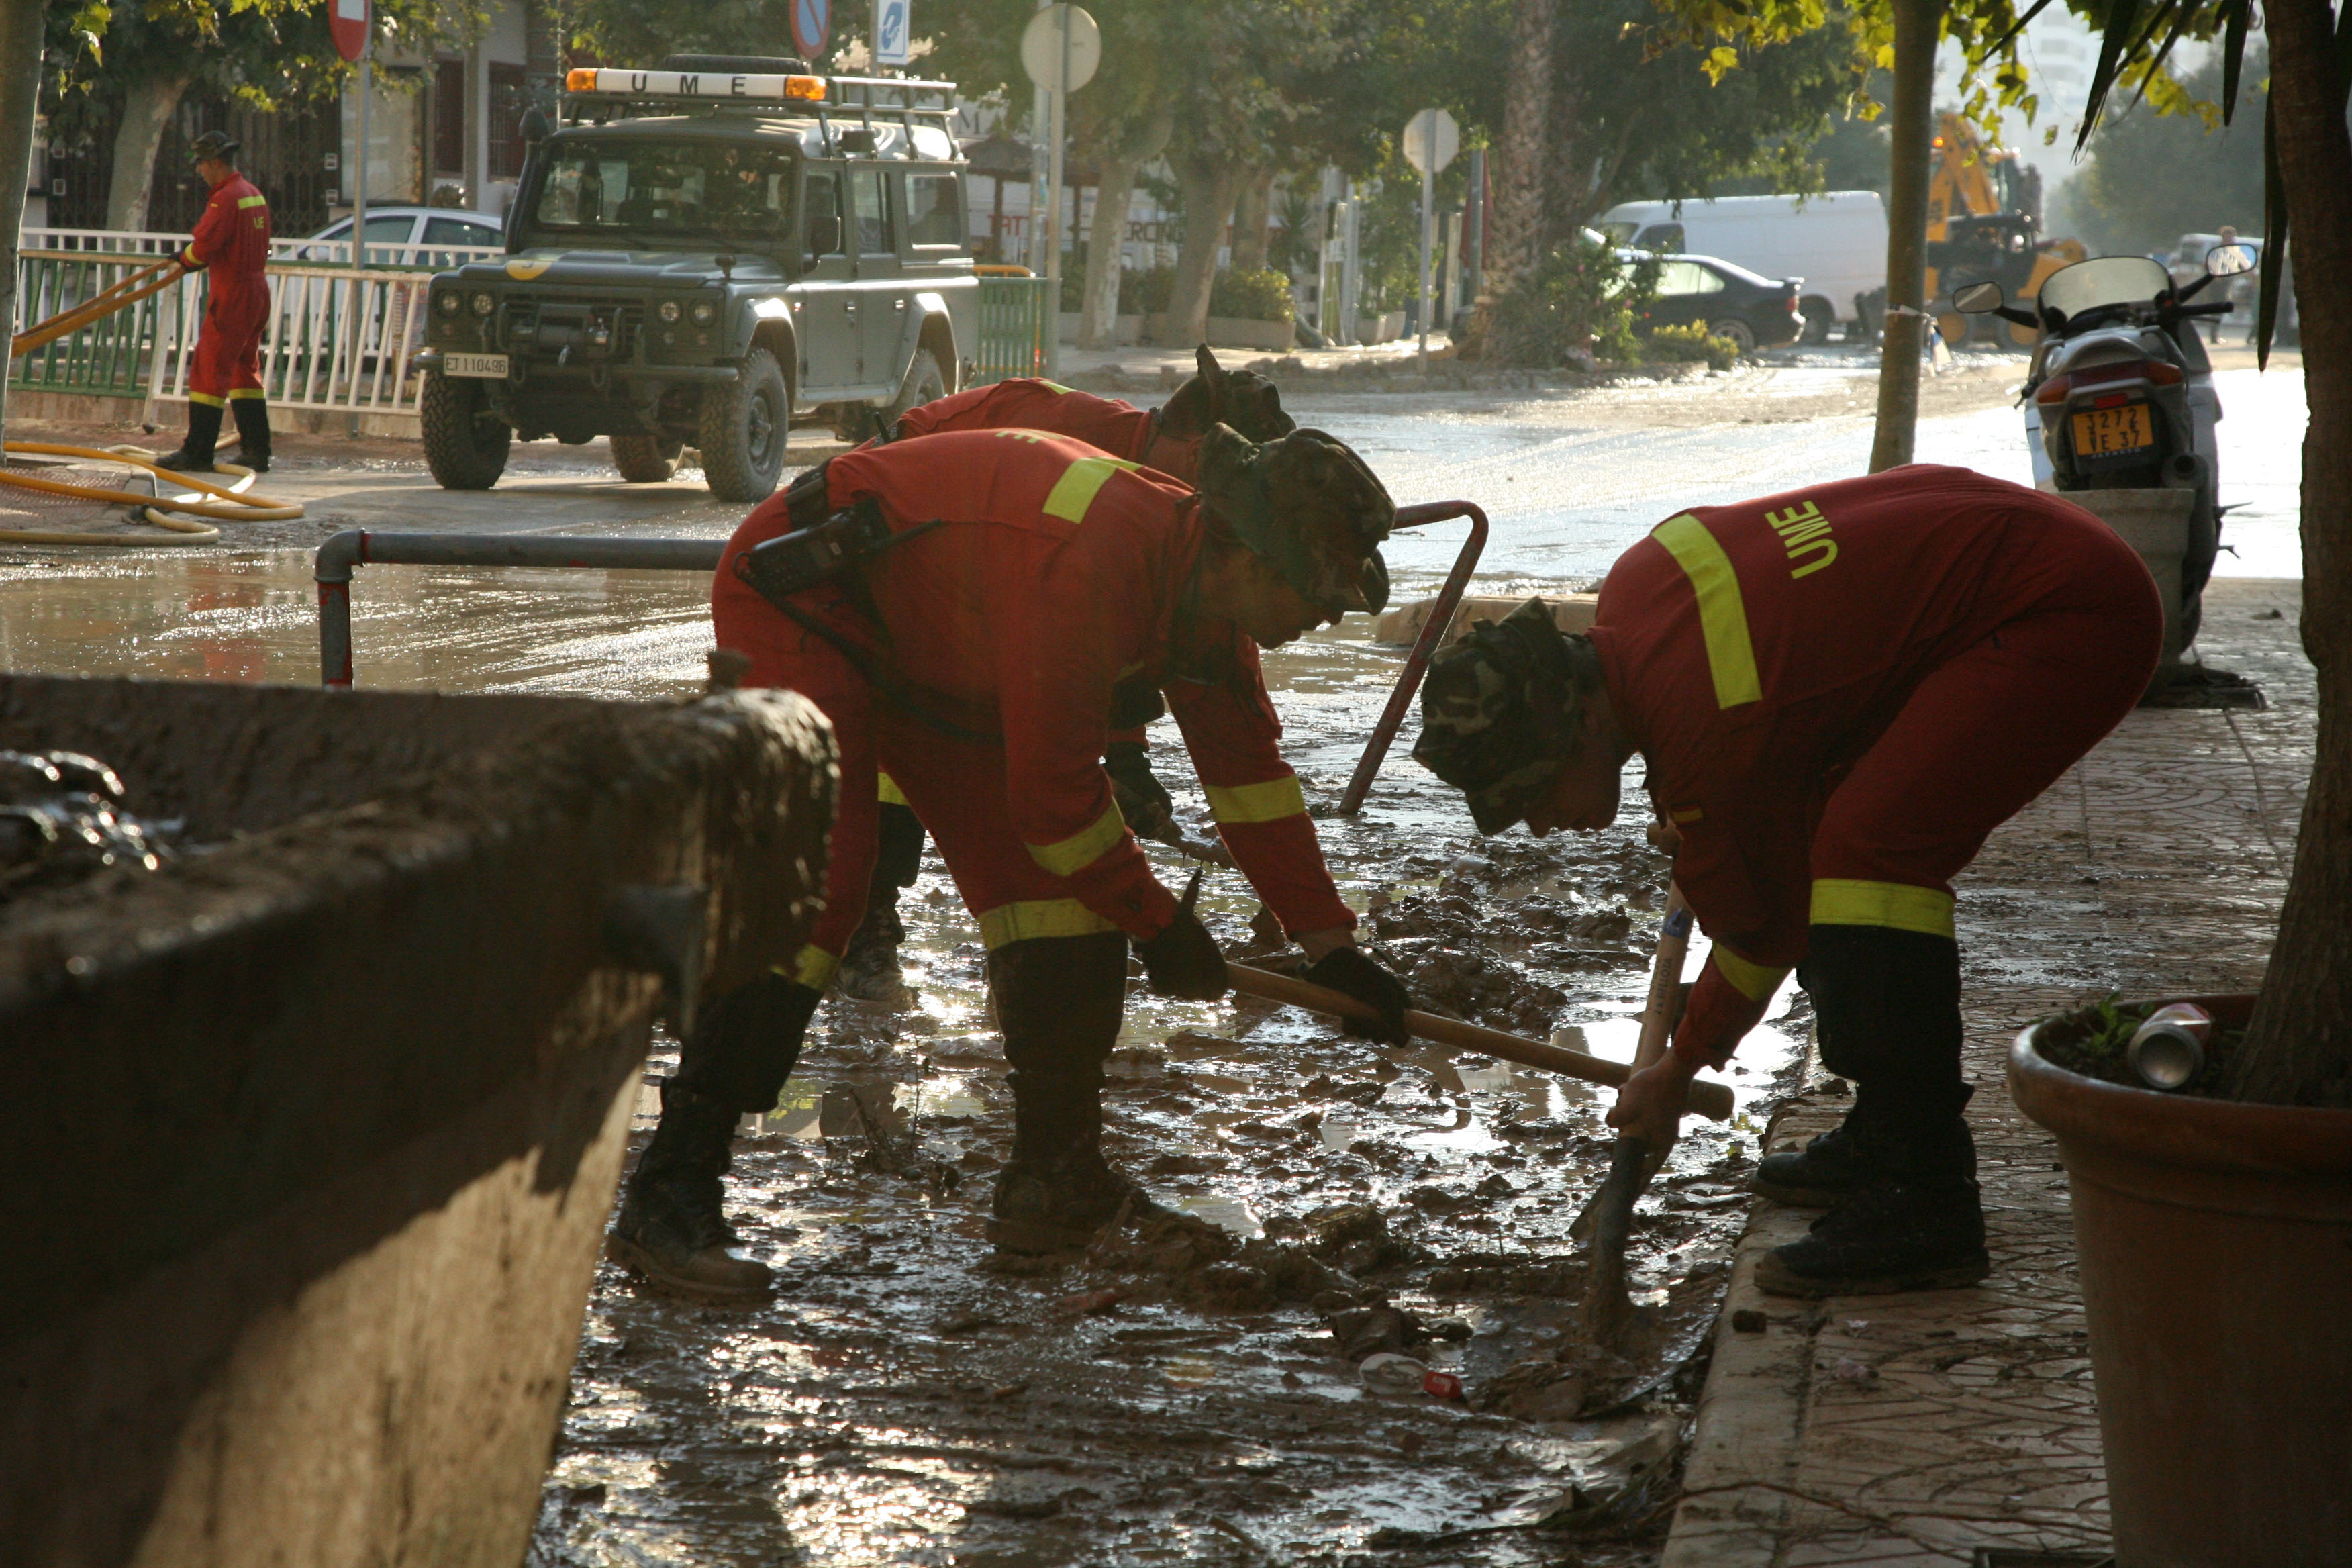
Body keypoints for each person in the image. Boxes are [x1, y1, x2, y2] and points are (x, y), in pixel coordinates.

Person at [607, 422, 1416, 1299]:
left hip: (939, 641)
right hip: (803, 594)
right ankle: (670, 1193)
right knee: (821, 887)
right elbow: (1055, 805)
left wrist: (1333, 948)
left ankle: (1055, 1181)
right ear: (1254, 561)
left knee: (1055, 901)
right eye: (1320, 595)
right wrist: (1159, 923)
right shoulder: (1092, 564)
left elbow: (1251, 784)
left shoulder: (1208, 603)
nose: (1327, 617)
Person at [1410, 467, 2161, 1297]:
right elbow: (1764, 708)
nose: (1540, 824)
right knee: (1829, 840)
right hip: (2022, 548)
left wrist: (1678, 1067)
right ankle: (1882, 1134)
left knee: (1865, 856)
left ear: (1584, 717)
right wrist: (1703, 802)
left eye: (1533, 793)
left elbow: (1766, 931)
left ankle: (1923, 1196)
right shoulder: (1635, 584)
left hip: (2066, 611)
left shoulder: (1711, 739)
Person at [832, 346, 1303, 1002]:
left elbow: (1117, 641)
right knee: (912, 749)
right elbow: (1055, 631)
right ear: (1197, 447)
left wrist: (1127, 755)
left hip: (995, 588)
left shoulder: (1157, 495)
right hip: (894, 559)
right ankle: (867, 922)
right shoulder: (1059, 438)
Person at [156, 131, 274, 475]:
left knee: (209, 370)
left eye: (202, 164)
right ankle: (257, 451)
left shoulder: (226, 199)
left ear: (215, 163)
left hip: (233, 294)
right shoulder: (253, 193)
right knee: (244, 369)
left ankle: (197, 452)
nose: (199, 171)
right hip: (257, 290)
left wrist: (183, 259)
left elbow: (205, 246)